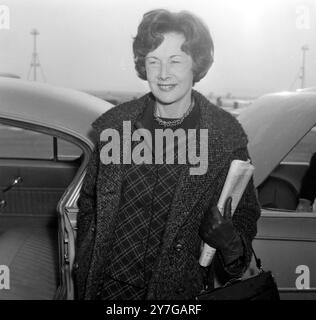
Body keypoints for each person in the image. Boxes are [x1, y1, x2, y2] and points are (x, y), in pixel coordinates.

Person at [74, 9, 261, 300]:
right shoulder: (115, 127)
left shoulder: (226, 138)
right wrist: (86, 257)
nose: (163, 74)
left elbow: (246, 217)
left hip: (174, 295)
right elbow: (89, 203)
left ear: (195, 65)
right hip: (106, 290)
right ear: (143, 65)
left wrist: (231, 243)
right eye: (153, 61)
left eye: (175, 61)